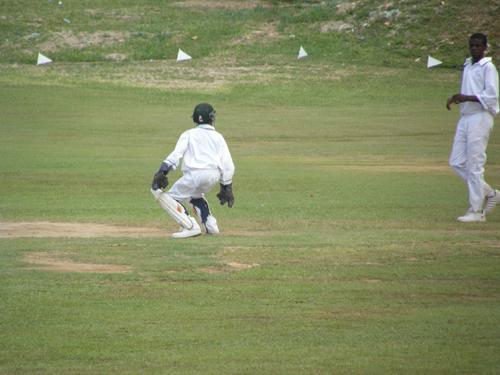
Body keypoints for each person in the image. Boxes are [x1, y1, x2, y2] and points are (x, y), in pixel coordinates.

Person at [150, 103, 235, 238]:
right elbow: (228, 164)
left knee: (167, 197)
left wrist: (163, 170)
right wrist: (226, 187)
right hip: (213, 175)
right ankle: (210, 225)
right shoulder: (218, 137)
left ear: (195, 119)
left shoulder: (188, 134)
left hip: (195, 174)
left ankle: (190, 226)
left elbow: (176, 154)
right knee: (195, 196)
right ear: (212, 118)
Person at [447, 33, 499, 222]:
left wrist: (465, 97)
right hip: (466, 116)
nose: (474, 49)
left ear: (485, 47)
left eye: (478, 46)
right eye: (472, 46)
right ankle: (491, 193)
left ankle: (476, 212)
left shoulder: (488, 67)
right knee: (456, 162)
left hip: (481, 117)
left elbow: (492, 96)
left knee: (475, 165)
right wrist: (457, 98)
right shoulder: (468, 65)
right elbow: (468, 90)